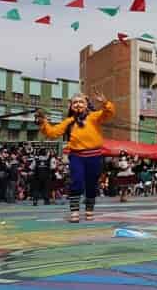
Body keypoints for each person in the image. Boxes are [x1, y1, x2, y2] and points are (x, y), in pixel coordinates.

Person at [36, 90, 114, 222]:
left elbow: (108, 113)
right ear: (71, 106)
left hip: (94, 156)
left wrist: (105, 103)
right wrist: (43, 122)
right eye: (75, 102)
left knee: (91, 185)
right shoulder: (69, 121)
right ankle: (74, 211)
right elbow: (53, 133)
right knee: (76, 182)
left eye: (81, 102)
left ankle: (89, 210)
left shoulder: (94, 117)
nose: (78, 104)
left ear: (86, 104)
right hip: (77, 156)